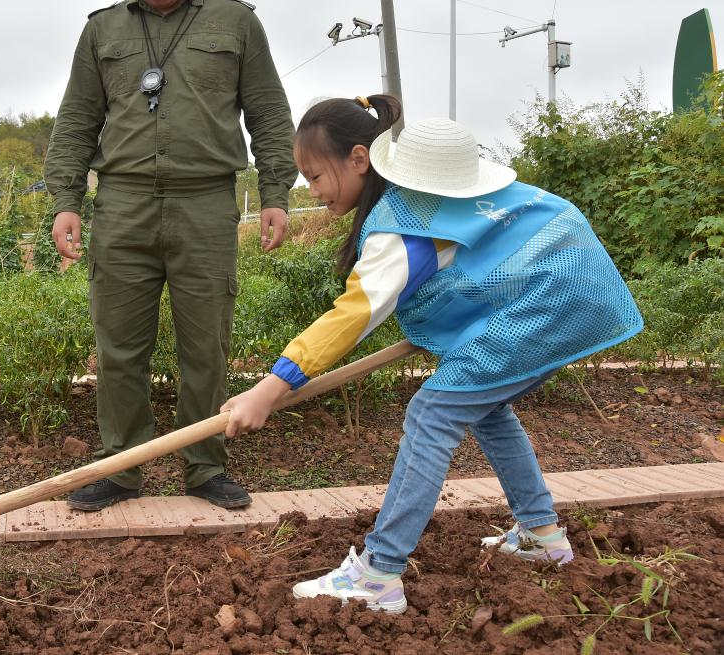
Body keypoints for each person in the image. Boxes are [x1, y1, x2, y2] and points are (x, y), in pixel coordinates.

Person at [221, 96, 643, 613]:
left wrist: (270, 387)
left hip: (550, 303)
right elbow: (490, 262)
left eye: (314, 175)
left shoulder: (404, 226)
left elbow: (352, 316)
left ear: (359, 159)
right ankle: (542, 536)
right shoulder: (429, 206)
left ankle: (379, 572)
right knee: (485, 408)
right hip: (573, 295)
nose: (311, 190)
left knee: (432, 413)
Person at [43, 0, 297, 511]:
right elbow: (76, 120)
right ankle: (121, 468)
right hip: (121, 204)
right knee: (118, 348)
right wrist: (66, 201)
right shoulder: (103, 29)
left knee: (206, 345)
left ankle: (204, 466)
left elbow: (268, 112)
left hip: (206, 201)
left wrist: (275, 193)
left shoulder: (236, 22)